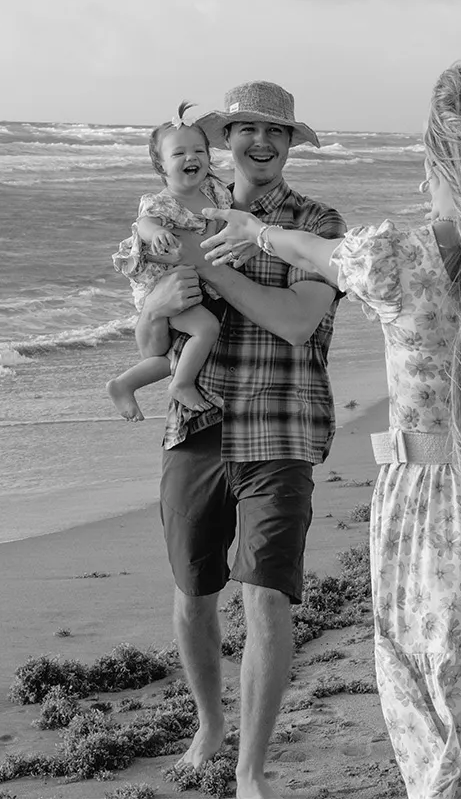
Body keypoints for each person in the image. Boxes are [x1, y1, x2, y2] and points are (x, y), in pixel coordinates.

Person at [203, 58, 461, 798]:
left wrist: (256, 233)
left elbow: (324, 256)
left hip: (437, 510)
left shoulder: (400, 262)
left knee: (439, 714)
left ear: (437, 152)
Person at [133, 80, 344, 799]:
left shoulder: (317, 221)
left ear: (289, 144)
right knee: (193, 590)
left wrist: (205, 267)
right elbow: (152, 331)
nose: (260, 142)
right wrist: (155, 304)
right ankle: (209, 726)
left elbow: (294, 320)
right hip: (196, 423)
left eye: (275, 133)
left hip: (282, 424)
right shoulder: (182, 211)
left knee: (267, 598)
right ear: (227, 140)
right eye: (247, 130)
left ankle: (252, 771)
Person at [107, 104, 232, 421]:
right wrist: (158, 231)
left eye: (199, 150)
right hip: (163, 285)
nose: (191, 158)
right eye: (179, 154)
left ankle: (124, 384)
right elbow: (143, 225)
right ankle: (182, 384)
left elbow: (225, 225)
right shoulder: (162, 201)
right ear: (161, 166)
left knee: (170, 355)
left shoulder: (215, 191)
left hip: (193, 284)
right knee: (206, 329)